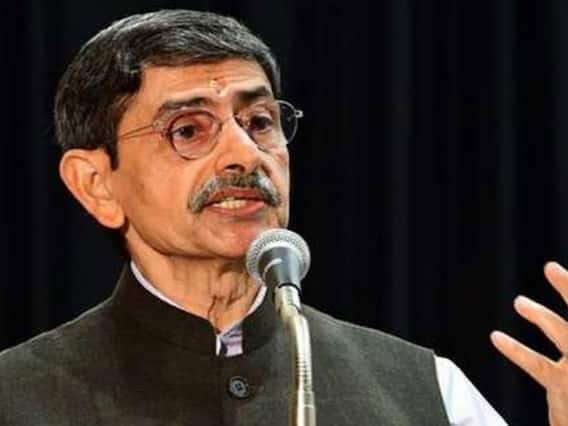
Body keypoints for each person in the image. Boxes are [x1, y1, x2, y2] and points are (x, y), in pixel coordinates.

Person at [0, 8, 559, 425]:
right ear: (96, 184)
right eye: (189, 130)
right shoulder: (16, 396)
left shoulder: (427, 390)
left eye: (260, 121)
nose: (245, 154)